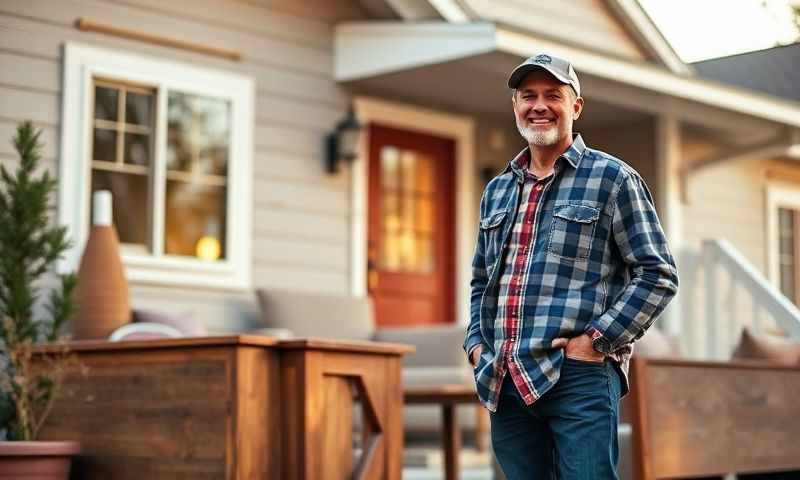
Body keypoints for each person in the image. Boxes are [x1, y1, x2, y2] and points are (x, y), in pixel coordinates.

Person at [463, 53, 679, 479]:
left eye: (552, 95)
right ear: (515, 107)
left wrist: (596, 343)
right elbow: (481, 280)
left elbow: (658, 274)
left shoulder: (613, 179)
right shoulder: (497, 191)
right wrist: (476, 346)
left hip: (578, 376)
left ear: (575, 107)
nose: (538, 105)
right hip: (505, 378)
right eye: (528, 96)